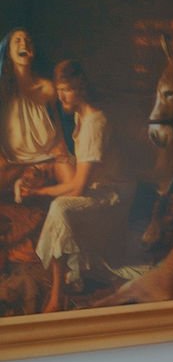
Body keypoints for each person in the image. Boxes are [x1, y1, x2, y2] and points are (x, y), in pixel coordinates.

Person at [21, 60, 126, 313]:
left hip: (110, 196)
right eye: (58, 90)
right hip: (95, 187)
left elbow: (78, 188)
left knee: (60, 207)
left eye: (66, 90)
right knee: (58, 164)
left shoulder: (94, 123)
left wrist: (39, 192)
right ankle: (69, 274)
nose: (61, 96)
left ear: (81, 89)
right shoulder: (80, 115)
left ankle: (57, 297)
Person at [0, 29, 69, 196]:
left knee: (72, 184)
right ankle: (27, 179)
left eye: (28, 41)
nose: (24, 44)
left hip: (48, 157)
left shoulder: (47, 87)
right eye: (17, 41)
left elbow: (57, 125)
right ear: (8, 51)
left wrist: (61, 149)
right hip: (14, 161)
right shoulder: (3, 89)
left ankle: (35, 183)